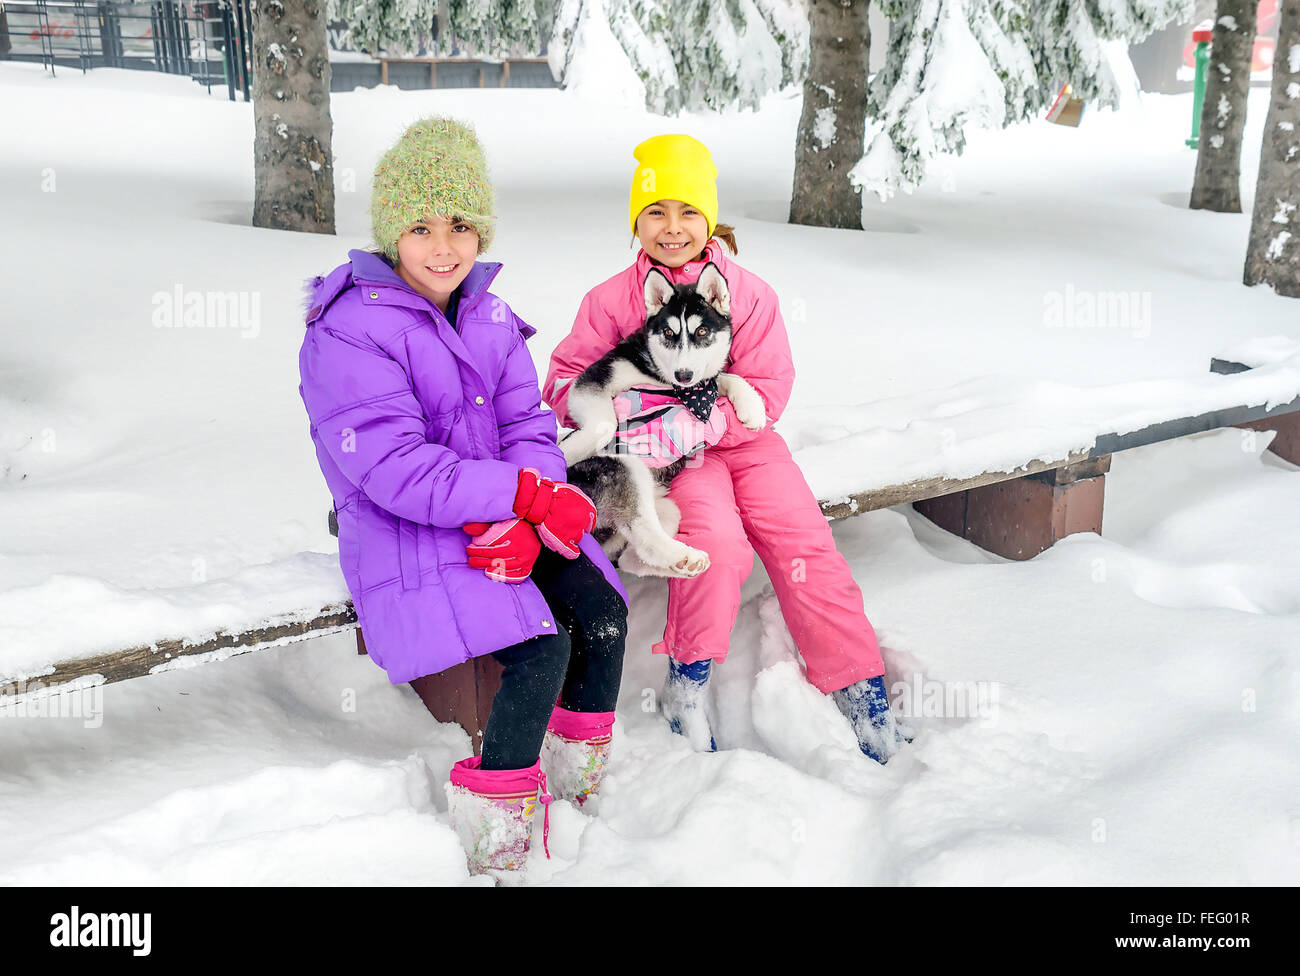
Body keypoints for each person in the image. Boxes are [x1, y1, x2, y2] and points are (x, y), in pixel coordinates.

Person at [297, 117, 628, 880]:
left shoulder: (490, 315)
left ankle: (577, 800)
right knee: (541, 649)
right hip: (403, 526)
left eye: (460, 225)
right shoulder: (348, 330)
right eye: (420, 226)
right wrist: (521, 498)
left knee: (601, 613)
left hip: (499, 512)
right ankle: (497, 844)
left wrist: (533, 500)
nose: (443, 246)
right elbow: (397, 468)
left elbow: (527, 426)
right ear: (390, 232)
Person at [542, 133, 908, 763]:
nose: (672, 227)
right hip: (671, 458)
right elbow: (562, 384)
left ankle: (856, 682)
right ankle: (689, 680)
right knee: (713, 546)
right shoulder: (612, 301)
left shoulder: (747, 292)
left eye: (687, 210)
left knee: (805, 544)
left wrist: (708, 424)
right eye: (655, 211)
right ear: (637, 221)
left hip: (746, 443)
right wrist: (632, 413)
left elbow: (770, 384)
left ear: (709, 217)